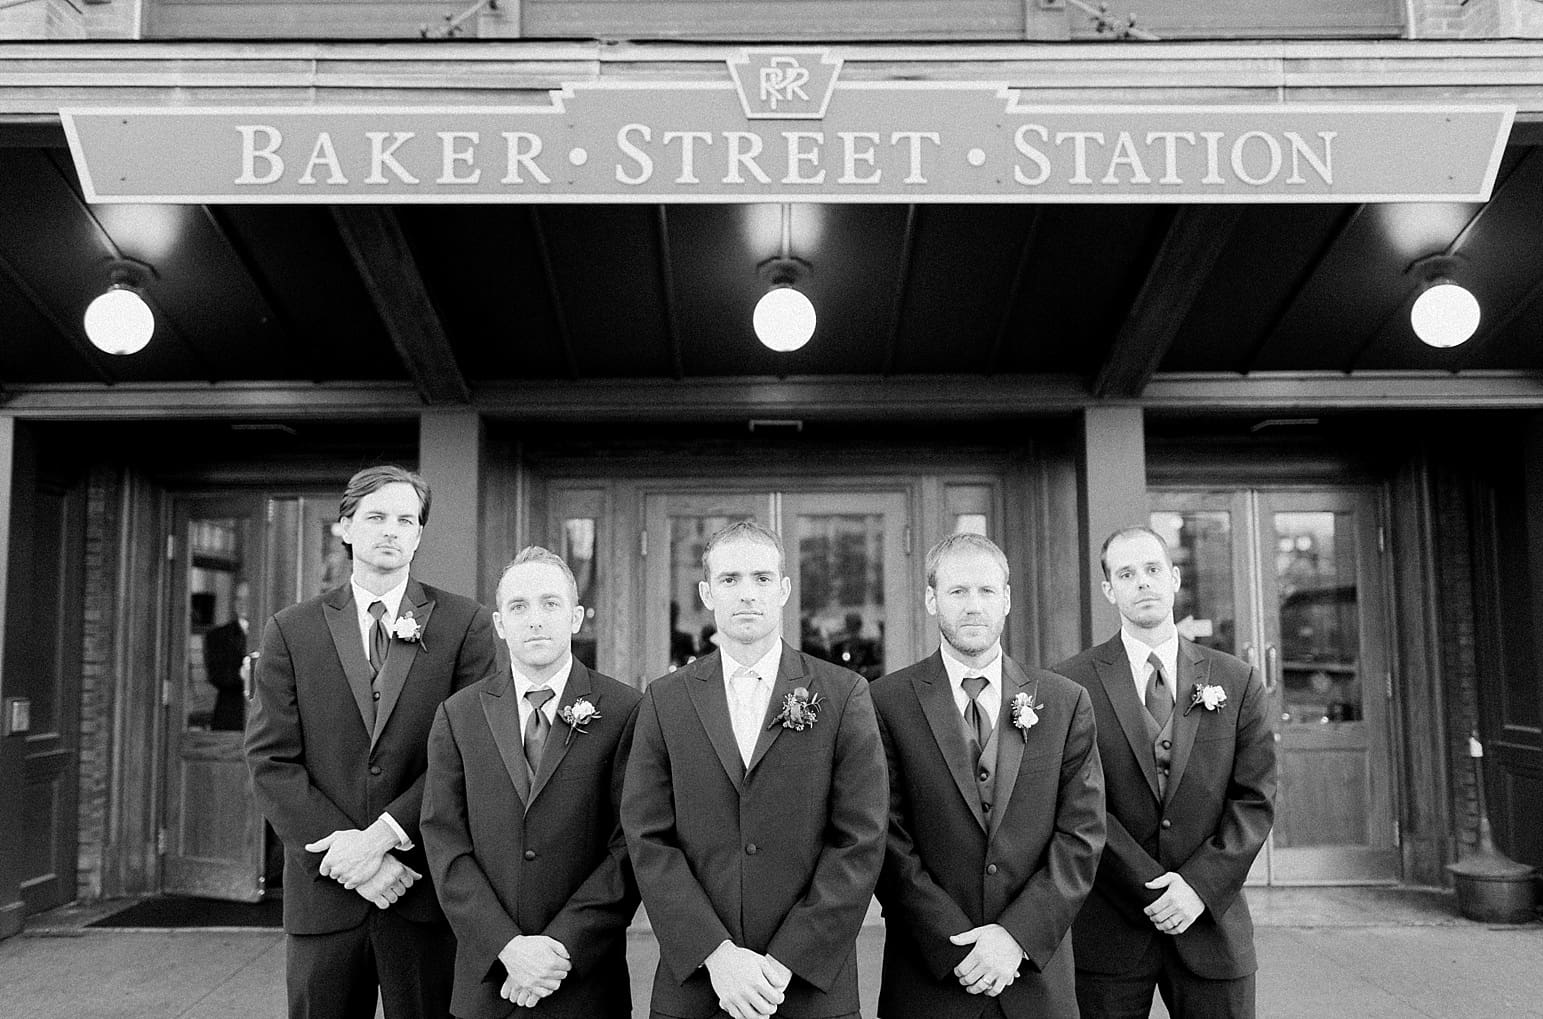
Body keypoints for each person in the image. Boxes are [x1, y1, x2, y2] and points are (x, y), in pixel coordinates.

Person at [246, 465, 498, 1019]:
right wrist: (352, 856)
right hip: (325, 895)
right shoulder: (292, 629)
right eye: (376, 517)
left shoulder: (465, 625)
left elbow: (471, 756)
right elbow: (272, 761)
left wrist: (386, 835)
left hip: (422, 891)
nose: (391, 530)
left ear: (418, 534)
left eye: (405, 520)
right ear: (346, 528)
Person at [621, 520, 888, 1019]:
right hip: (697, 987)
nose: (747, 594)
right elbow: (647, 836)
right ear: (706, 592)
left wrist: (783, 964)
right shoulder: (665, 700)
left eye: (762, 579)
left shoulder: (844, 694)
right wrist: (718, 958)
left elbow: (861, 838)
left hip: (809, 990)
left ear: (784, 589)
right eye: (730, 580)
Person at [872, 533, 1105, 1018]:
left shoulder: (1065, 702)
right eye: (957, 592)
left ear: (1008, 599)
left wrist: (1016, 937)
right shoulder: (884, 703)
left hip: (1034, 979)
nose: (973, 606)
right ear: (932, 599)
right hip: (927, 979)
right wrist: (954, 945)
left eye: (986, 591)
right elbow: (884, 837)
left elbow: (1081, 835)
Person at [1056, 526, 1276, 1019]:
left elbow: (1254, 800)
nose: (1143, 583)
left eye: (1153, 569)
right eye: (1127, 574)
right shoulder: (1070, 685)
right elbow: (1076, 803)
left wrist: (1197, 887)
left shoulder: (1236, 681)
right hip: (1109, 930)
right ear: (1110, 589)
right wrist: (1152, 890)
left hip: (1212, 928)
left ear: (1174, 578)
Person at [421, 546, 642, 1019]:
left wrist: (560, 948)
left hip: (584, 979)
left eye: (550, 604)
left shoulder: (626, 711)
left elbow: (630, 845)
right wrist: (506, 947)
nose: (535, 619)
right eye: (518, 607)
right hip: (488, 981)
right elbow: (444, 840)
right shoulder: (458, 714)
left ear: (577, 617)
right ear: (500, 624)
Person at [204, 580, 251, 731]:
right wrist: (242, 674)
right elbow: (215, 675)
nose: (242, 603)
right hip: (230, 718)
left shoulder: (271, 631)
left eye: (247, 598)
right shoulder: (217, 635)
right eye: (238, 598)